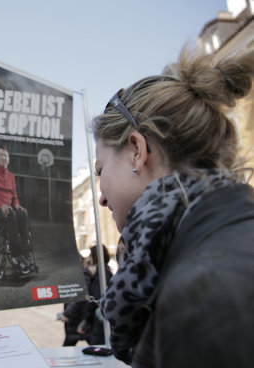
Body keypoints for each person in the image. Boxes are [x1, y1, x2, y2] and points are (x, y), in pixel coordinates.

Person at [92, 45, 254, 367]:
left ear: (137, 150)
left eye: (101, 171)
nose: (102, 197)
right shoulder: (216, 235)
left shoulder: (200, 292)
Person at [0, 145, 33, 271]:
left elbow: (14, 196)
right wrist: (1, 205)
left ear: (9, 159)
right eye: (1, 155)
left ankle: (26, 255)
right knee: (12, 214)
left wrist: (17, 205)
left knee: (23, 214)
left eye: (5, 155)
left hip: (10, 210)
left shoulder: (11, 176)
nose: (3, 157)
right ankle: (16, 256)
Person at [77, 245, 113, 345]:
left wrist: (85, 321)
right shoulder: (101, 273)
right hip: (99, 320)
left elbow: (95, 300)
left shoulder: (102, 274)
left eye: (91, 255)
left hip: (101, 321)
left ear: (96, 256)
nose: (89, 258)